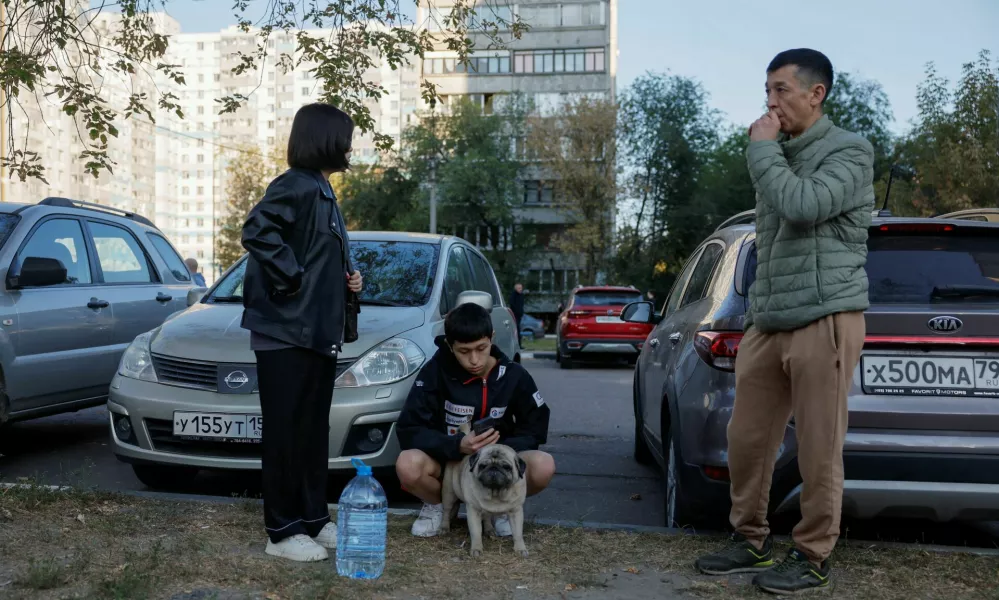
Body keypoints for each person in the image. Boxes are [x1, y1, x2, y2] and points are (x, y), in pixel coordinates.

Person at [695, 49, 874, 594]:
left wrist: (763, 151)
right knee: (746, 438)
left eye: (780, 91)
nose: (769, 102)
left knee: (820, 447)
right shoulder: (780, 151)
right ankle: (749, 540)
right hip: (768, 318)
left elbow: (803, 205)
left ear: (816, 94)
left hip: (826, 315)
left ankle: (813, 553)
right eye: (766, 91)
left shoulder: (849, 150)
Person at [240, 102, 364, 563]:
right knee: (287, 434)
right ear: (324, 138)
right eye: (345, 136)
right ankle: (282, 530)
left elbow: (313, 254)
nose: (350, 146)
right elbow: (257, 230)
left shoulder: (322, 190)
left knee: (311, 433)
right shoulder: (296, 184)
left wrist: (348, 278)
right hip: (286, 332)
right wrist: (293, 278)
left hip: (314, 332)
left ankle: (313, 519)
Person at [395, 302, 555, 538]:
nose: (474, 360)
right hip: (449, 466)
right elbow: (409, 429)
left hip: (497, 463)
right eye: (464, 351)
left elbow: (536, 426)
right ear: (450, 345)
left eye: (481, 348)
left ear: (492, 337)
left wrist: (500, 451)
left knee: (544, 465)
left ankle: (502, 507)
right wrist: (456, 445)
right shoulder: (434, 372)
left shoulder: (513, 374)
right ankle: (439, 507)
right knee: (407, 464)